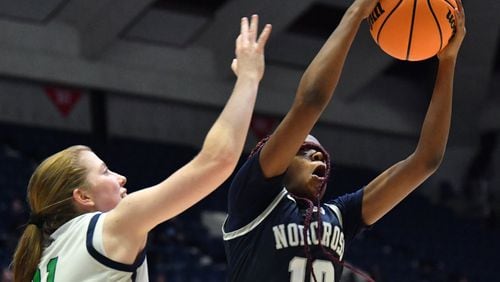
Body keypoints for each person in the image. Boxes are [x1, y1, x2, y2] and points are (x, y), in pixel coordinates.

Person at [11, 15, 272, 282]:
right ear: (83, 196)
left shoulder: (46, 260)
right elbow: (217, 160)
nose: (120, 176)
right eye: (105, 172)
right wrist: (249, 78)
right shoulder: (112, 226)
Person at [222, 0, 466, 281]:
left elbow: (427, 160)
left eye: (321, 156)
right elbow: (310, 103)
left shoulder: (338, 217)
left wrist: (447, 62)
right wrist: (356, 12)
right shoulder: (253, 200)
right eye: (305, 151)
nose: (318, 157)